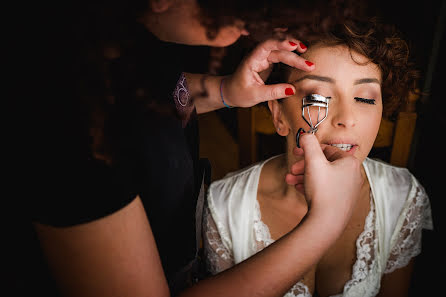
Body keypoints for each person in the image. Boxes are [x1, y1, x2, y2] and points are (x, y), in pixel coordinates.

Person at [19, 1, 367, 297]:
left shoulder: (125, 38)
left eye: (365, 97)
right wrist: (325, 223)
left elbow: (154, 93)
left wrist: (224, 91)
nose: (263, 23)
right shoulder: (59, 117)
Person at [203, 17, 434, 297]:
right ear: (279, 115)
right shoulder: (223, 209)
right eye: (317, 97)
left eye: (364, 98)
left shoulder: (403, 198)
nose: (346, 119)